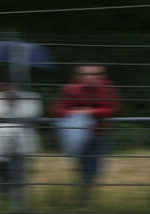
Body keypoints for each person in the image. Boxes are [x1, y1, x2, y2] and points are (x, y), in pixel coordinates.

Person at [51, 64, 119, 199]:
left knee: (93, 169)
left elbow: (112, 109)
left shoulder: (108, 89)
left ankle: (84, 195)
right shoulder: (68, 90)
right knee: (83, 168)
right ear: (77, 77)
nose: (89, 77)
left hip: (98, 135)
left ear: (102, 76)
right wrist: (75, 113)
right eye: (85, 74)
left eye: (94, 74)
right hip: (76, 136)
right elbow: (57, 110)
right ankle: (83, 196)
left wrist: (90, 112)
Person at [0, 81, 43, 202]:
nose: (9, 88)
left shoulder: (30, 98)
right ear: (0, 85)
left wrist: (15, 103)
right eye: (5, 85)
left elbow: (32, 113)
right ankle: (4, 189)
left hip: (21, 138)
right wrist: (6, 103)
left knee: (19, 168)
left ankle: (16, 193)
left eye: (12, 85)